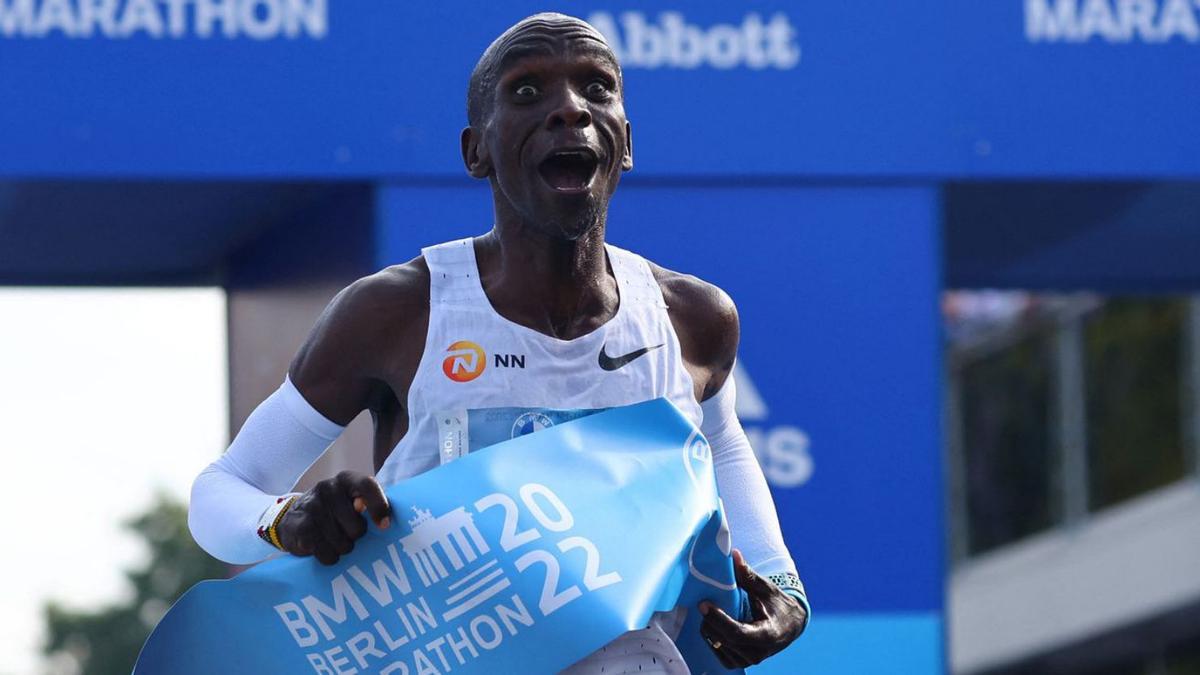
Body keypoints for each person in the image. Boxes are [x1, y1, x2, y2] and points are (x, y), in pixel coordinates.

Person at [189, 12, 808, 673]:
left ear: (624, 141)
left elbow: (723, 452)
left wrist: (785, 591)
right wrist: (292, 519)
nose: (570, 109)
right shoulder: (398, 311)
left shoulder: (692, 318)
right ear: (475, 151)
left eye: (596, 88)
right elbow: (221, 493)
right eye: (526, 92)